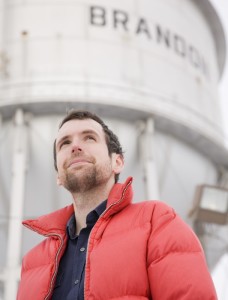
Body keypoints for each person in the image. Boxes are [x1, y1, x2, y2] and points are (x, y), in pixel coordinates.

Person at [17, 110, 217, 300]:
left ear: (118, 162)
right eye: (65, 143)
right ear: (58, 177)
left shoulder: (156, 221)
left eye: (89, 137)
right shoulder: (32, 262)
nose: (75, 147)